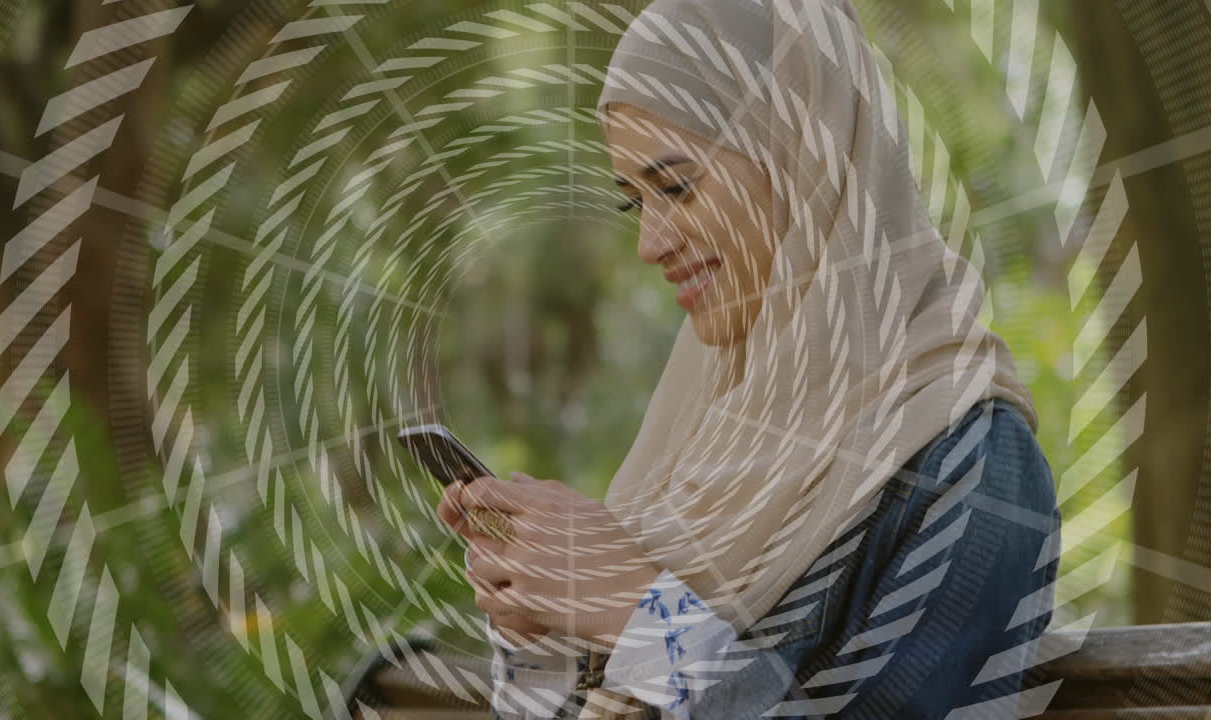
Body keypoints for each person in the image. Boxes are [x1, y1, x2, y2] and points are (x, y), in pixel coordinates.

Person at [436, 0, 1062, 717]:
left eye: (677, 187)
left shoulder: (973, 466)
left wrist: (646, 620)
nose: (651, 243)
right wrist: (548, 644)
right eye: (634, 201)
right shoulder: (703, 441)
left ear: (805, 159)